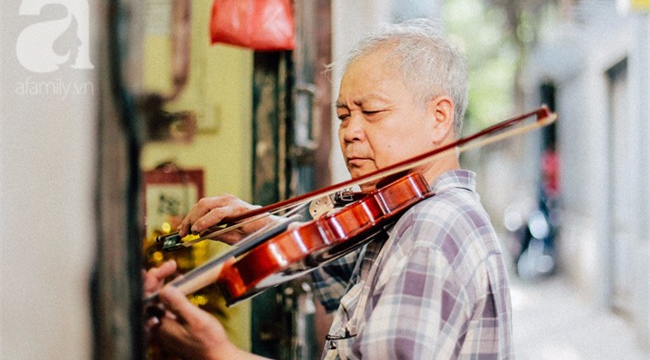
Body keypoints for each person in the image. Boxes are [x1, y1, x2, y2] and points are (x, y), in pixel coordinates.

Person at [144, 19, 513, 359]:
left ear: (439, 118)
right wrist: (258, 229)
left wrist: (217, 352)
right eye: (343, 116)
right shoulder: (404, 221)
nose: (350, 132)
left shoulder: (435, 226)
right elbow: (340, 278)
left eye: (371, 112)